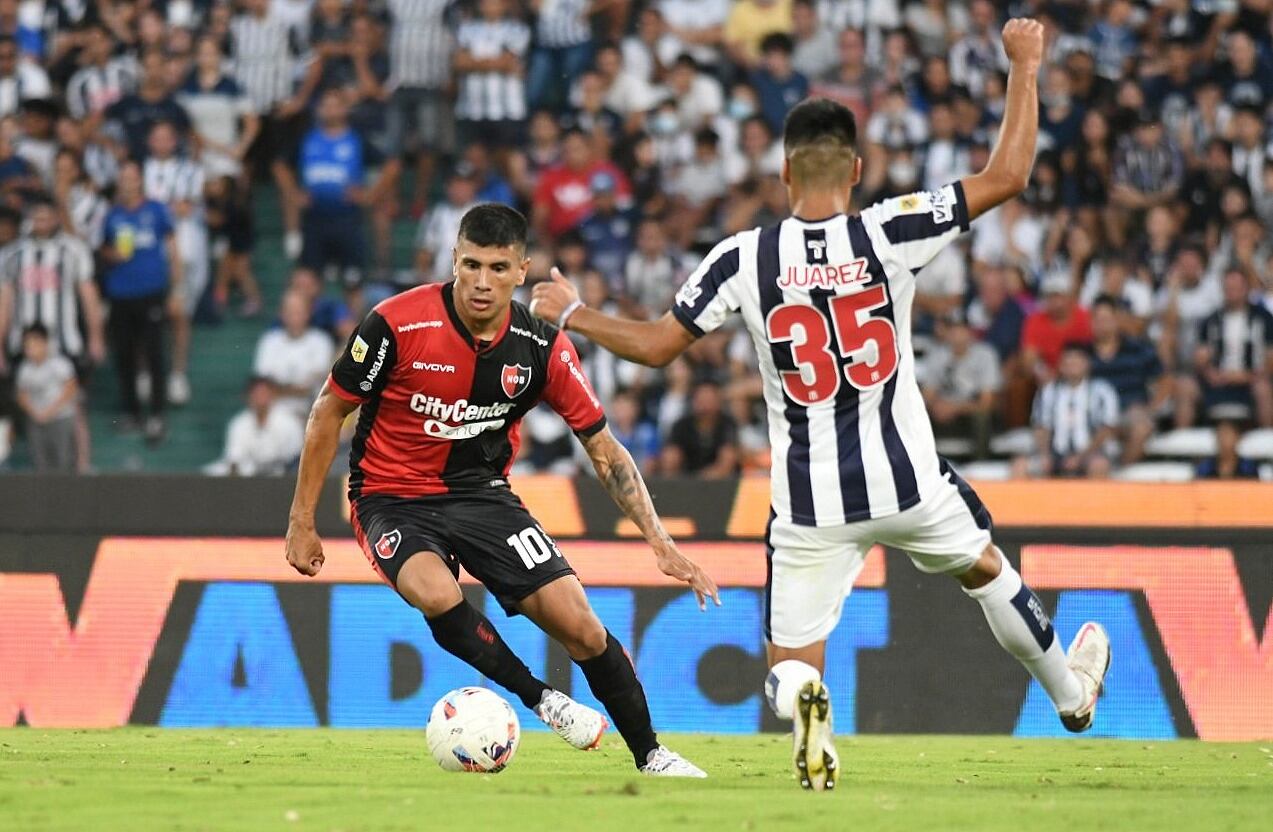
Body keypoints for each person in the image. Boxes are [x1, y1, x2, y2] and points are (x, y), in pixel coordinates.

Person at [530, 20, 1111, 791]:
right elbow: (1007, 175)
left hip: (809, 507)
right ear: (857, 168)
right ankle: (1070, 699)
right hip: (908, 484)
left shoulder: (743, 257)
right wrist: (1024, 66)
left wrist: (571, 311)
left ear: (782, 171)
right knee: (984, 568)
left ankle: (809, 703)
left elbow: (656, 344)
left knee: (789, 665)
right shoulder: (890, 229)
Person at [285, 204, 715, 778]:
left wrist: (659, 541)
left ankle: (652, 755)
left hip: (483, 495)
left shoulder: (541, 346)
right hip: (390, 494)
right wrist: (302, 519)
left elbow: (605, 450)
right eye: (470, 265)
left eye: (496, 267)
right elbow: (327, 413)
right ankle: (543, 699)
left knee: (581, 625)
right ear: (453, 262)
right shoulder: (396, 324)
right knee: (433, 592)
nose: (481, 282)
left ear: (522, 270)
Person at [100, 160, 181, 443]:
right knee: (124, 354)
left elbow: (172, 250)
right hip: (121, 293)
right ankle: (131, 411)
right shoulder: (112, 215)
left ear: (140, 180)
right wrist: (113, 255)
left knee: (154, 352)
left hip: (151, 292)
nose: (128, 182)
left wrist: (175, 291)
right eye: (123, 177)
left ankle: (157, 414)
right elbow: (104, 250)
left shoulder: (156, 210)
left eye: (132, 177)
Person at [143, 120, 206, 406]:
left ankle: (177, 374)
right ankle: (145, 373)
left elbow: (185, 206)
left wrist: (154, 209)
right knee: (146, 316)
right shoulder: (140, 170)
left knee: (179, 315)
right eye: (157, 136)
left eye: (167, 137)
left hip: (183, 249)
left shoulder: (190, 170)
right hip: (148, 254)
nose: (162, 142)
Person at [1015, 342, 1120, 479]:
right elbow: (1041, 427)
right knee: (1020, 466)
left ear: (1087, 364)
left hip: (1092, 454)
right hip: (1054, 453)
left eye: (1077, 360)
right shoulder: (1048, 391)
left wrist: (1081, 457)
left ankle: (1094, 501)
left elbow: (1107, 429)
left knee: (1099, 465)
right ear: (1061, 366)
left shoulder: (1102, 391)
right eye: (1068, 361)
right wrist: (1045, 454)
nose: (1072, 365)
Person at [253, 290, 335, 421]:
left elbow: (321, 381)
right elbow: (263, 383)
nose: (295, 318)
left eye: (299, 312)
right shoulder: (269, 341)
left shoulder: (321, 341)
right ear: (282, 314)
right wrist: (299, 388)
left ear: (308, 313)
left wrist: (282, 388)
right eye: (290, 312)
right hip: (275, 414)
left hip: (314, 412)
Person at [208, 376, 305, 477]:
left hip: (282, 477)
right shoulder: (239, 424)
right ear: (249, 397)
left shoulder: (288, 422)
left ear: (273, 395)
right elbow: (234, 459)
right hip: (247, 478)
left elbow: (296, 458)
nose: (261, 398)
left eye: (264, 393)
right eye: (257, 394)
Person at [14, 323, 77, 472]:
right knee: (39, 461)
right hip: (36, 419)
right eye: (27, 346)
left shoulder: (59, 364)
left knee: (63, 459)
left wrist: (50, 411)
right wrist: (35, 413)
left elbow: (70, 389)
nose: (30, 350)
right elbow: (21, 395)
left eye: (34, 344)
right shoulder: (25, 368)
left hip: (60, 417)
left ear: (44, 343)